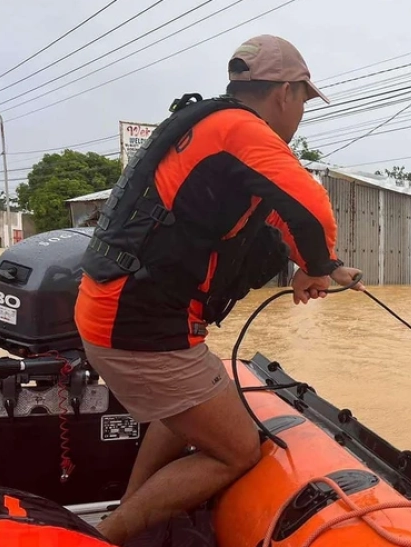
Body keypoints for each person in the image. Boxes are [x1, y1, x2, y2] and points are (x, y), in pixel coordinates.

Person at [73, 35, 363, 545]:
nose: (301, 114)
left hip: (116, 312)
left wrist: (324, 266)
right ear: (286, 93)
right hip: (141, 327)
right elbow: (309, 204)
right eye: (303, 101)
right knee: (237, 450)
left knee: (184, 413)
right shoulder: (240, 131)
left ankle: (129, 509)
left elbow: (275, 214)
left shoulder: (212, 129)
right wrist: (317, 265)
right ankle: (106, 538)